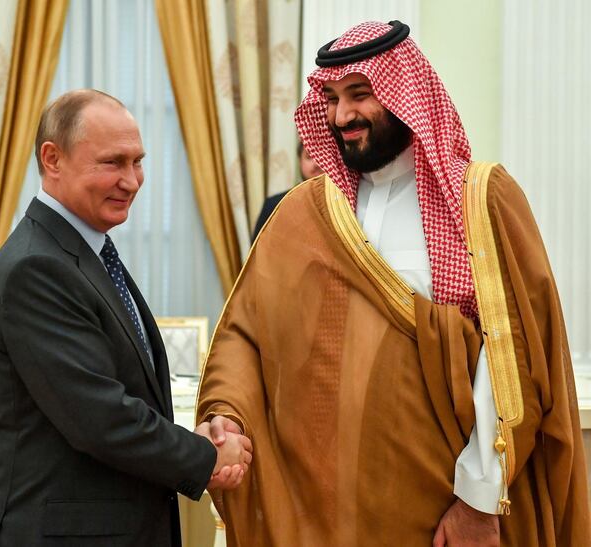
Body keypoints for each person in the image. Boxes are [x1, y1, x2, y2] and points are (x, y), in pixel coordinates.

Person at [197, 20, 590, 546]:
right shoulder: (306, 213)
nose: (341, 115)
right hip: (325, 508)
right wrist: (228, 415)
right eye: (331, 99)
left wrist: (477, 500)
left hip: (442, 511)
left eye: (360, 95)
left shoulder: (481, 200)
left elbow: (512, 352)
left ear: (406, 94)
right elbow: (249, 332)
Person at [0, 89, 252, 546]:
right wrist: (204, 456)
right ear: (52, 158)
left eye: (137, 161)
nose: (132, 180)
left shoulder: (83, 248)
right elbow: (100, 418)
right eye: (112, 163)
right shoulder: (36, 267)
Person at [251, 142, 324, 240]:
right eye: (309, 157)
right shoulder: (275, 205)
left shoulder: (345, 203)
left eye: (322, 156)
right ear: (299, 161)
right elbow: (258, 252)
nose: (316, 163)